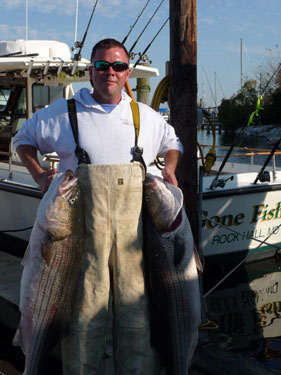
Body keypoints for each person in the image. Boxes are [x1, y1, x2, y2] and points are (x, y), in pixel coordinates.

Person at [13, 38, 183, 375]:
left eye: (118, 66)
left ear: (128, 73)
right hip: (79, 249)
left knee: (138, 321)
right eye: (102, 66)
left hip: (134, 251)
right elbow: (22, 141)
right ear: (91, 71)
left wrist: (171, 168)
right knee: (82, 320)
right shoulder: (63, 113)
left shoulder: (144, 117)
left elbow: (172, 141)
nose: (110, 72)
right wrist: (39, 177)